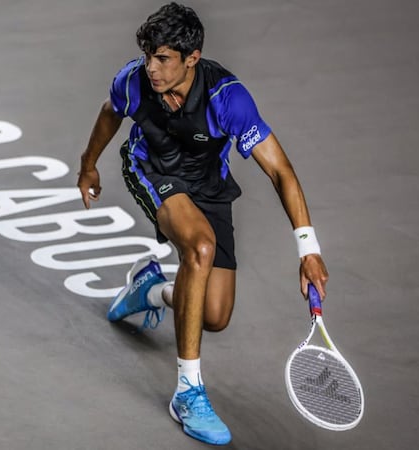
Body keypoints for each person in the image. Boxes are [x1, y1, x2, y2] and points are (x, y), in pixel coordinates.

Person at [76, 2, 329, 446]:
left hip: (208, 185)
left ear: (191, 58)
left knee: (213, 316)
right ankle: (188, 393)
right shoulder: (133, 80)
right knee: (200, 248)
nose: (151, 67)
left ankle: (150, 290)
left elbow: (281, 171)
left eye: (163, 58)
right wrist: (88, 165)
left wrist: (308, 249)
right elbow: (110, 112)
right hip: (151, 169)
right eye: (148, 55)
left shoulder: (227, 98)